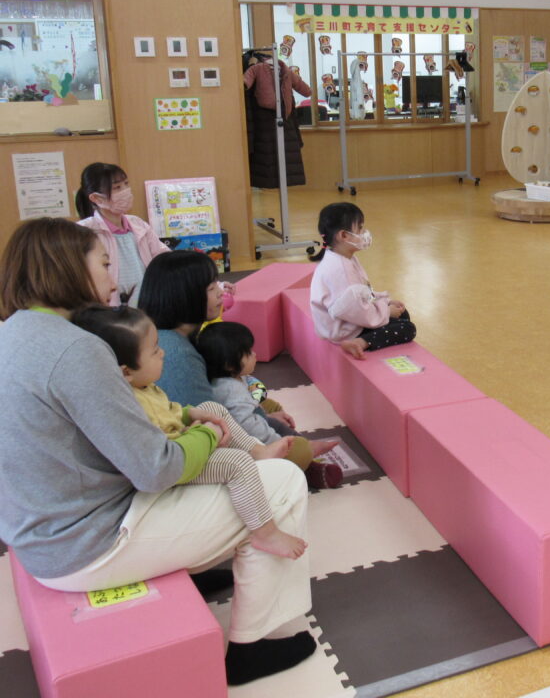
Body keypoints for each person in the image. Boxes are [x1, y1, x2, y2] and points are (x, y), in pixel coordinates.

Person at [0, 218, 315, 685]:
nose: (114, 278)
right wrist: (208, 434)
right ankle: (256, 642)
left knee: (232, 475)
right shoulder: (75, 349)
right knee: (283, 482)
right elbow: (156, 468)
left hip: (39, 533)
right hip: (85, 543)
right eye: (104, 263)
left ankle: (192, 564)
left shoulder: (14, 331)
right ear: (67, 268)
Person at [72, 304, 307, 560]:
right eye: (154, 351)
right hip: (176, 468)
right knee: (237, 464)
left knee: (211, 407)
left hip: (183, 442)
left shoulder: (145, 386)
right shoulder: (133, 402)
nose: (163, 353)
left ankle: (259, 452)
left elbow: (170, 411)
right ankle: (265, 532)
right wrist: (199, 434)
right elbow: (162, 451)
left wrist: (189, 414)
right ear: (126, 371)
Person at [138, 251, 343, 488]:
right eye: (210, 288)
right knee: (294, 449)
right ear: (184, 297)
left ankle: (299, 458)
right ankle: (303, 460)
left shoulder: (179, 336)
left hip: (220, 424)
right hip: (201, 452)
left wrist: (263, 416)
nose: (220, 292)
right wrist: (263, 433)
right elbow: (211, 423)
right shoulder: (176, 354)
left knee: (264, 402)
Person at [196, 321, 338, 462]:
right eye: (248, 353)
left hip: (256, 422)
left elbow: (252, 406)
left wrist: (268, 417)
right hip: (254, 444)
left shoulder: (235, 378)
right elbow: (248, 426)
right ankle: (308, 454)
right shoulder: (231, 390)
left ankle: (305, 445)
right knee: (297, 449)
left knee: (275, 415)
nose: (254, 354)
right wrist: (276, 442)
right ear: (230, 365)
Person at [309, 202, 416, 359]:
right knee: (408, 328)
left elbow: (363, 292)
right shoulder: (340, 269)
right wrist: (386, 312)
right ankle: (360, 342)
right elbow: (355, 311)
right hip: (344, 329)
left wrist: (384, 302)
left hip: (349, 319)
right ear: (343, 235)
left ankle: (367, 337)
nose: (364, 233)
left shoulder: (344, 258)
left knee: (402, 313)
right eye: (359, 229)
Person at [75, 162, 169, 306]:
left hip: (145, 306)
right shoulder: (84, 231)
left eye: (126, 184)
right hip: (106, 309)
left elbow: (163, 258)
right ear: (96, 198)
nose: (125, 191)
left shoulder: (138, 224)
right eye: (117, 188)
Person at [243, 54, 311, 189]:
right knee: (279, 160)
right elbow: (307, 91)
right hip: (281, 121)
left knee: (273, 160)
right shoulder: (283, 71)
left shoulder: (259, 69)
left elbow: (244, 85)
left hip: (270, 122)